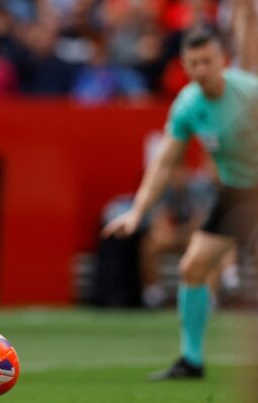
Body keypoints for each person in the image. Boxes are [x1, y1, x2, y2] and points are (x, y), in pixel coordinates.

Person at [102, 27, 258, 380]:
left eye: (208, 61)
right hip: (235, 193)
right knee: (192, 268)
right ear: (185, 67)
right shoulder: (188, 105)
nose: (202, 69)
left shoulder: (249, 93)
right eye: (194, 63)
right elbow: (164, 163)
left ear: (222, 60)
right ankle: (191, 360)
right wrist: (138, 211)